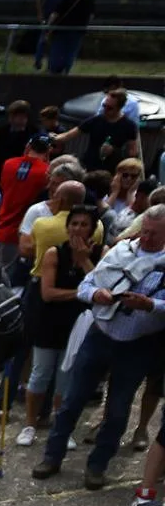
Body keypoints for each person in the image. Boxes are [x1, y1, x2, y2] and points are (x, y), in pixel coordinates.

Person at [36, 206, 165, 488]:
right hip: (100, 335)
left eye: (154, 234)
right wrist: (97, 293)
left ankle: (97, 467)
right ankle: (52, 457)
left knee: (118, 410)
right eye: (144, 230)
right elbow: (86, 285)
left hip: (137, 346)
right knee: (72, 401)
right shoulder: (121, 252)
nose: (146, 237)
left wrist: (150, 305)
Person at [21, 206, 101, 446]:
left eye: (83, 224)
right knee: (40, 374)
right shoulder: (54, 253)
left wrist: (85, 261)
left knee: (67, 377)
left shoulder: (101, 254)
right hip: (50, 322)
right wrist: (84, 293)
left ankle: (61, 424)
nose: (77, 229)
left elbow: (102, 285)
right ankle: (29, 424)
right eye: (74, 224)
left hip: (80, 325)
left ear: (92, 229)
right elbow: (48, 293)